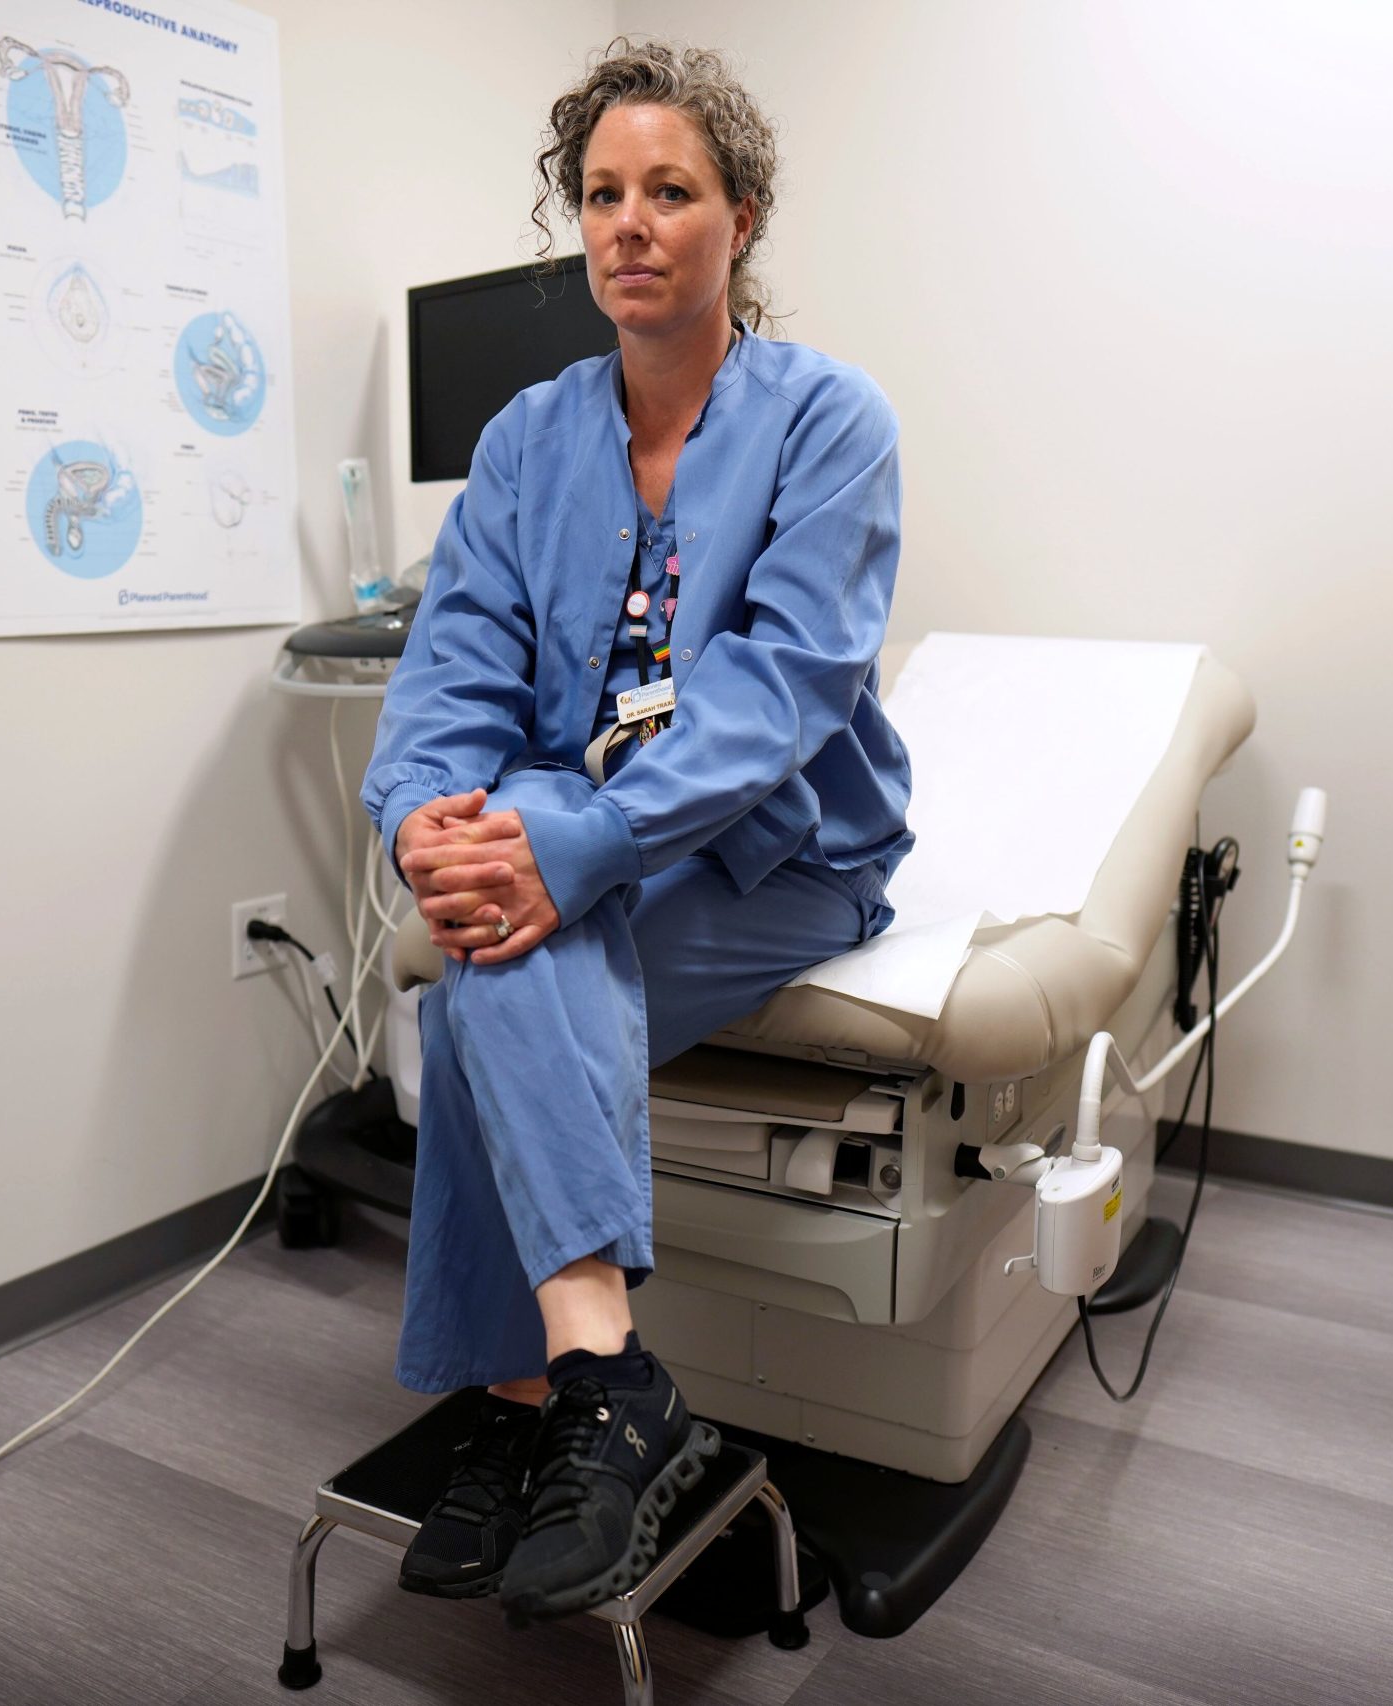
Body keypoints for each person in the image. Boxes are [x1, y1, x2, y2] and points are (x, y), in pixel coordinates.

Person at [360, 38, 913, 1624]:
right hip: (573, 832)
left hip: (785, 849)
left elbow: (779, 693)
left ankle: (520, 1402)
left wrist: (569, 849)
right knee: (495, 917)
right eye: (602, 194)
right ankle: (595, 1382)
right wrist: (422, 822)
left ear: (742, 216)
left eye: (669, 190)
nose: (630, 224)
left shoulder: (829, 419)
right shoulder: (527, 440)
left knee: (499, 947)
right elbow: (451, 670)